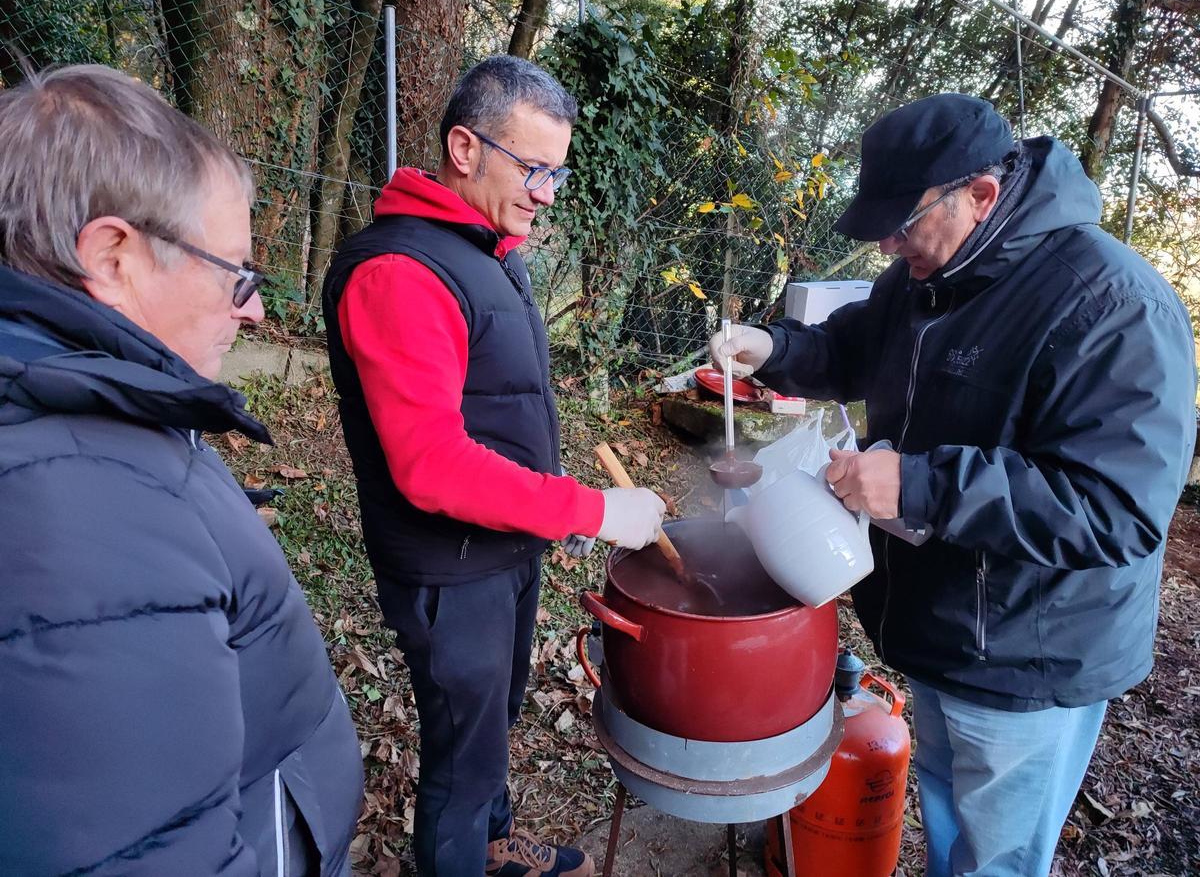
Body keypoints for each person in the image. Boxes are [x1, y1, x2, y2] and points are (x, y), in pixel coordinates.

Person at [711, 93, 1197, 877]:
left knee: (995, 856)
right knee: (943, 812)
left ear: (980, 194)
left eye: (904, 225)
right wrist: (770, 348)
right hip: (939, 625)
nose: (890, 247)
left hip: (1028, 653)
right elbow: (852, 349)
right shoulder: (925, 273)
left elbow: (1115, 510)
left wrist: (919, 484)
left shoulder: (1111, 304)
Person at [0, 64, 364, 874]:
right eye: (235, 273)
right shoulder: (76, 502)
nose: (257, 310)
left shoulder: (87, 409)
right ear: (115, 257)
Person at [322, 55, 664, 877]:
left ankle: (493, 842)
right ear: (464, 148)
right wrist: (591, 510)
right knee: (461, 753)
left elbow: (498, 410)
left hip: (503, 550)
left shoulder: (486, 246)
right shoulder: (402, 271)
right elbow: (431, 465)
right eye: (534, 168)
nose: (548, 191)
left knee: (491, 719)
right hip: (449, 568)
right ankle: (457, 854)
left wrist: (555, 512)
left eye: (559, 172)